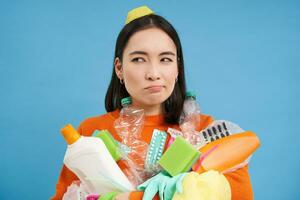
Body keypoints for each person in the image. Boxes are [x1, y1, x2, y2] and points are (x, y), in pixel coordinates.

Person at [51, 6, 253, 200]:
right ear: (119, 68)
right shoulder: (91, 133)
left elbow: (239, 195)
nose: (154, 74)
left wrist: (132, 198)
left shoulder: (205, 131)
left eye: (165, 59)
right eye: (139, 59)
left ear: (177, 68)